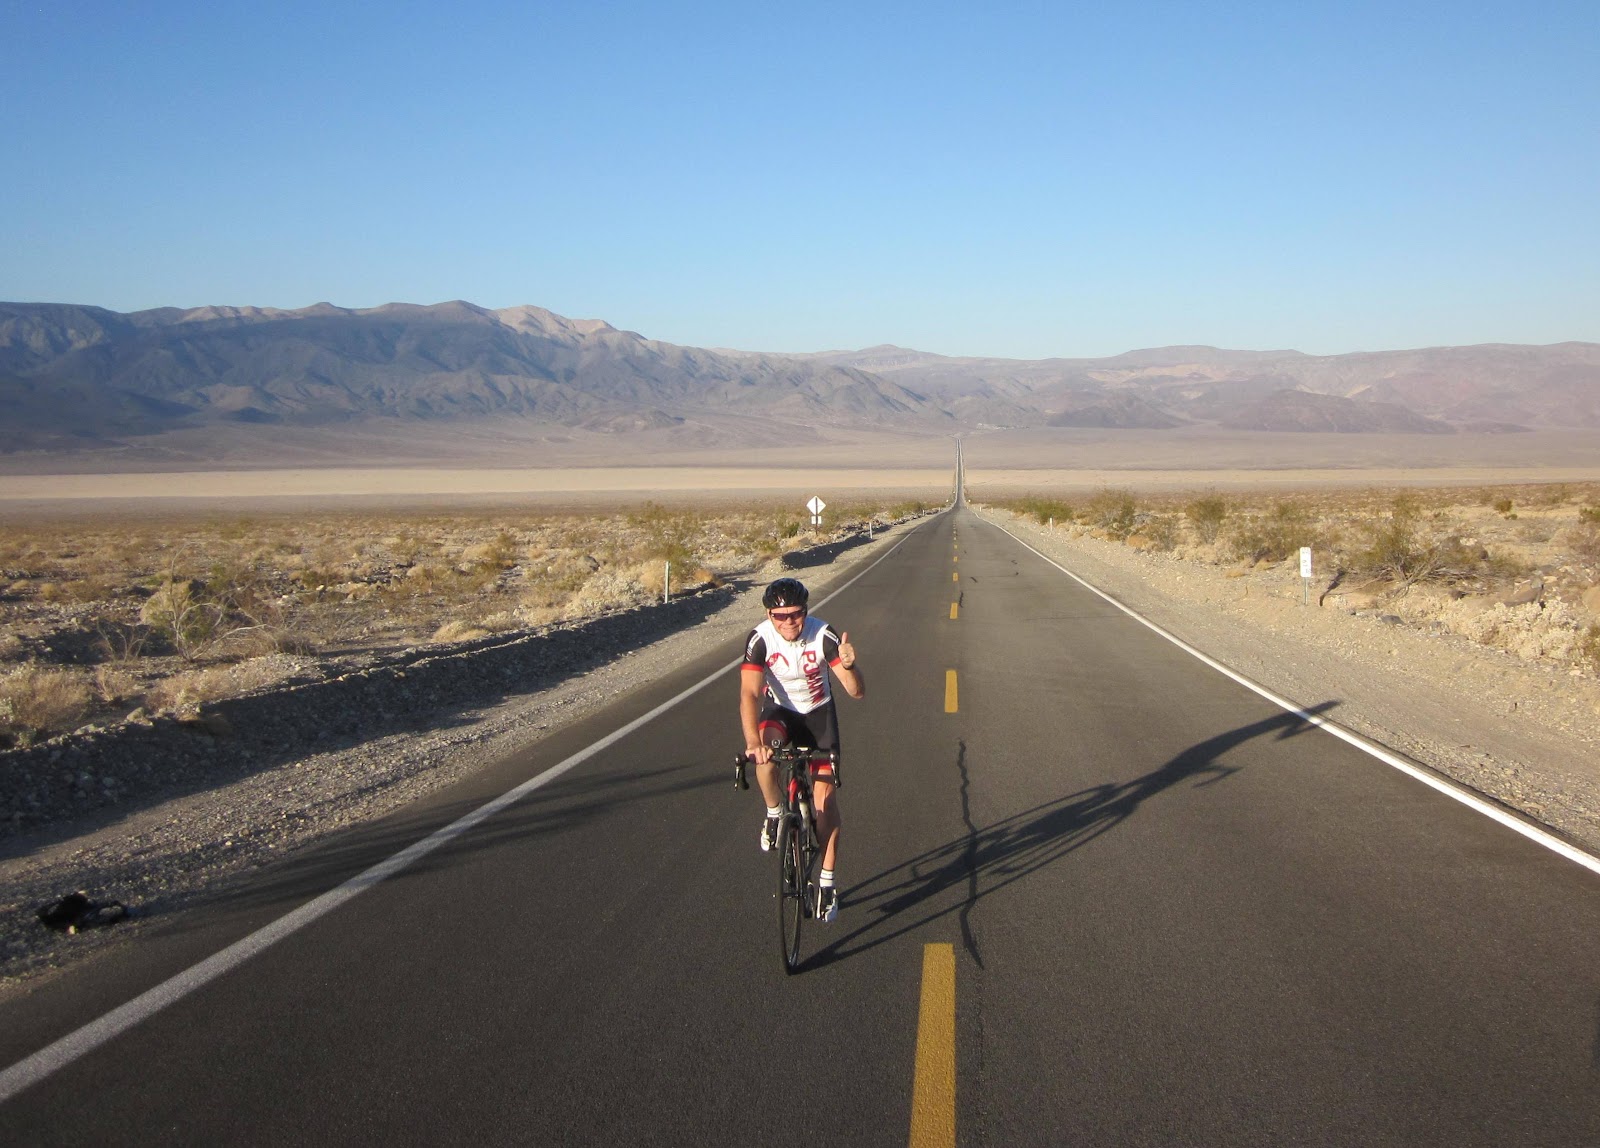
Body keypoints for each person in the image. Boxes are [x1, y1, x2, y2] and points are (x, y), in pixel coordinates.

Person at [740, 577, 864, 923]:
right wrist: (753, 743)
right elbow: (749, 693)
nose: (789, 621)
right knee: (762, 754)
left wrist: (850, 667)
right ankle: (775, 811)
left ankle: (826, 880)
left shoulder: (823, 635)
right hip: (779, 711)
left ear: (806, 612)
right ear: (769, 614)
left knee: (824, 801)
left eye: (795, 614)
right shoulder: (759, 639)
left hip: (818, 714)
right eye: (779, 616)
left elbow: (856, 693)